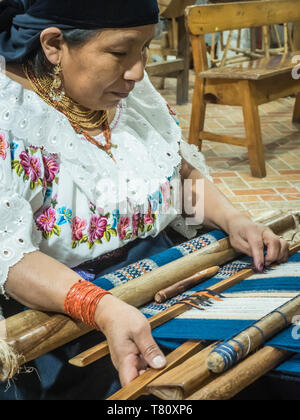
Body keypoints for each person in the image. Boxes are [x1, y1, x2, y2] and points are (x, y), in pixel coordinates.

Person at [0, 0, 289, 400]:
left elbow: (176, 170)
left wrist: (234, 219)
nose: (138, 71)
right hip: (71, 318)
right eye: (120, 52)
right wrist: (102, 308)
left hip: (165, 276)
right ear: (53, 45)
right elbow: (9, 254)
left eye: (144, 50)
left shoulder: (124, 92)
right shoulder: (11, 122)